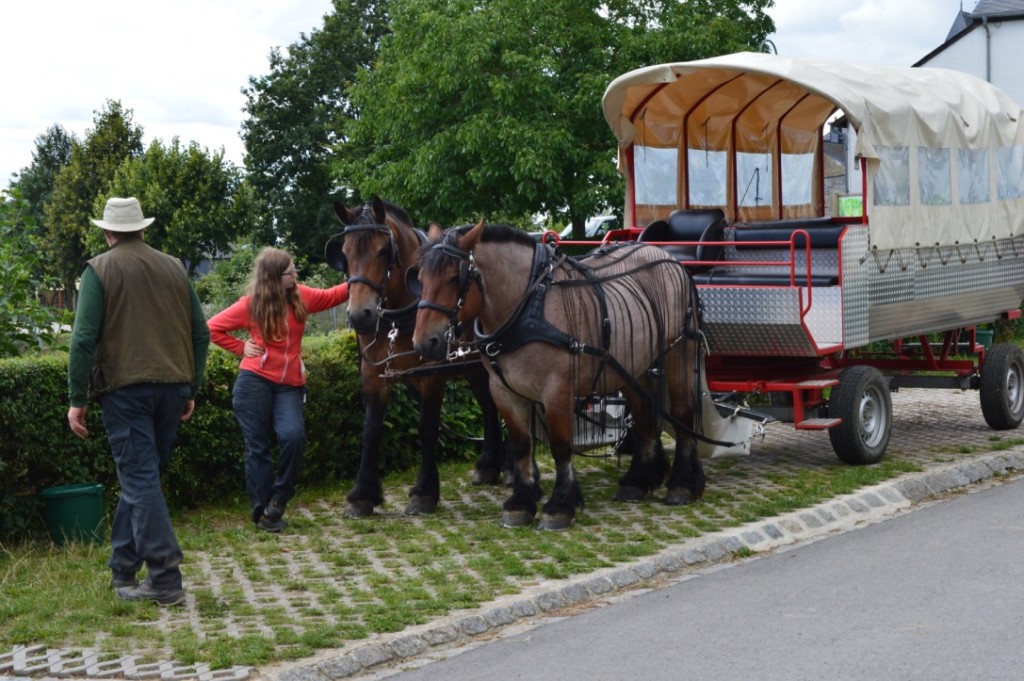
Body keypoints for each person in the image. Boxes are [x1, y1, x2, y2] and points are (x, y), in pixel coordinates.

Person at [67, 197, 210, 607]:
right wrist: (191, 387)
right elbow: (201, 334)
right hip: (173, 388)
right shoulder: (173, 267)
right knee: (143, 479)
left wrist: (77, 398)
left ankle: (165, 578)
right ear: (142, 229)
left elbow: (82, 339)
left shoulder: (100, 269)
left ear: (107, 232)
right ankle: (123, 568)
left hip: (125, 390)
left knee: (140, 479)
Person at [208, 247, 348, 532]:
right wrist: (241, 347)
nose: (295, 275)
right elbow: (210, 327)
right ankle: (262, 512)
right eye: (290, 272)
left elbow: (335, 295)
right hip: (253, 383)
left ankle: (279, 498)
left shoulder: (302, 296)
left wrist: (362, 276)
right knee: (258, 447)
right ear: (273, 277)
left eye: (295, 270)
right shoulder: (251, 305)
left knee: (293, 437)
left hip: (289, 386)